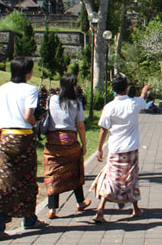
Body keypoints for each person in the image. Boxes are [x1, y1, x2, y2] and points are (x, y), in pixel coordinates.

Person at [0, 57, 48, 239]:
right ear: (28, 72)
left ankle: (9, 222)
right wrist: (37, 121)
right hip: (23, 138)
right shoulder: (30, 89)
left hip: (5, 136)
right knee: (25, 179)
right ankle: (18, 221)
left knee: (1, 179)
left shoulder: (3, 88)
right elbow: (28, 115)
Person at [90, 74, 151, 223]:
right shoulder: (133, 103)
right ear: (126, 87)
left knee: (111, 179)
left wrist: (99, 149)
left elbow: (103, 129)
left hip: (115, 148)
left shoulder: (109, 106)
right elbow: (143, 100)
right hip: (131, 149)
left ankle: (101, 210)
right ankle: (134, 208)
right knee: (131, 178)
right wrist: (144, 90)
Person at [43, 74, 90, 219]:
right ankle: (80, 202)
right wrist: (84, 144)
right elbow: (80, 126)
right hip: (70, 140)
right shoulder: (76, 103)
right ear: (73, 86)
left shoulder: (51, 99)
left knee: (53, 173)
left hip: (53, 141)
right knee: (75, 170)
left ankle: (52, 209)